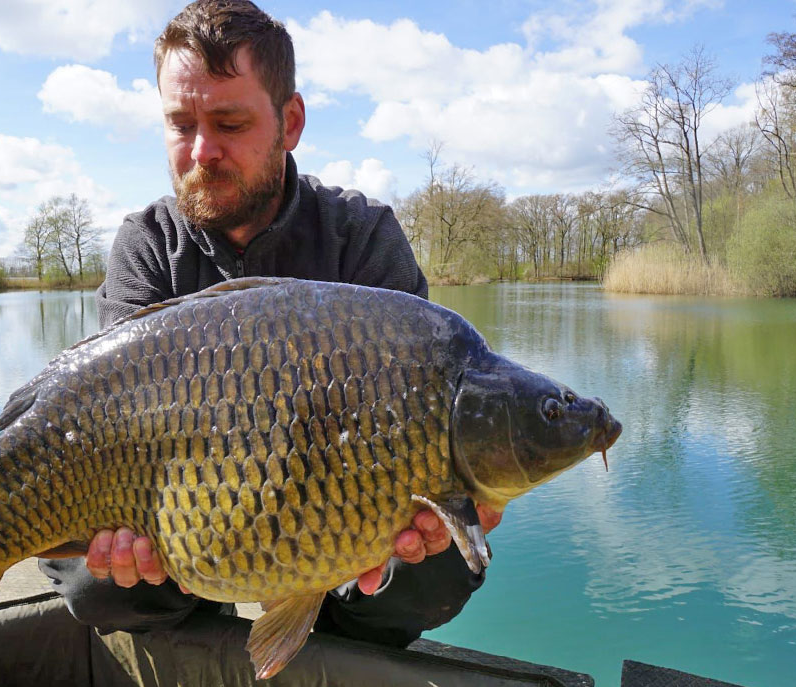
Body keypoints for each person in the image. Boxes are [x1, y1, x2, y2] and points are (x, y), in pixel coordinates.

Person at [39, 0, 502, 648]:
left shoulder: (362, 236)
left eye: (228, 122)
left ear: (290, 122)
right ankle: (207, 643)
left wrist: (460, 491)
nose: (201, 151)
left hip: (345, 514)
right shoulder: (146, 246)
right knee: (97, 581)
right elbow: (106, 424)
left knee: (438, 564)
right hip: (186, 516)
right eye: (180, 124)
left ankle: (336, 641)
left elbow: (426, 418)